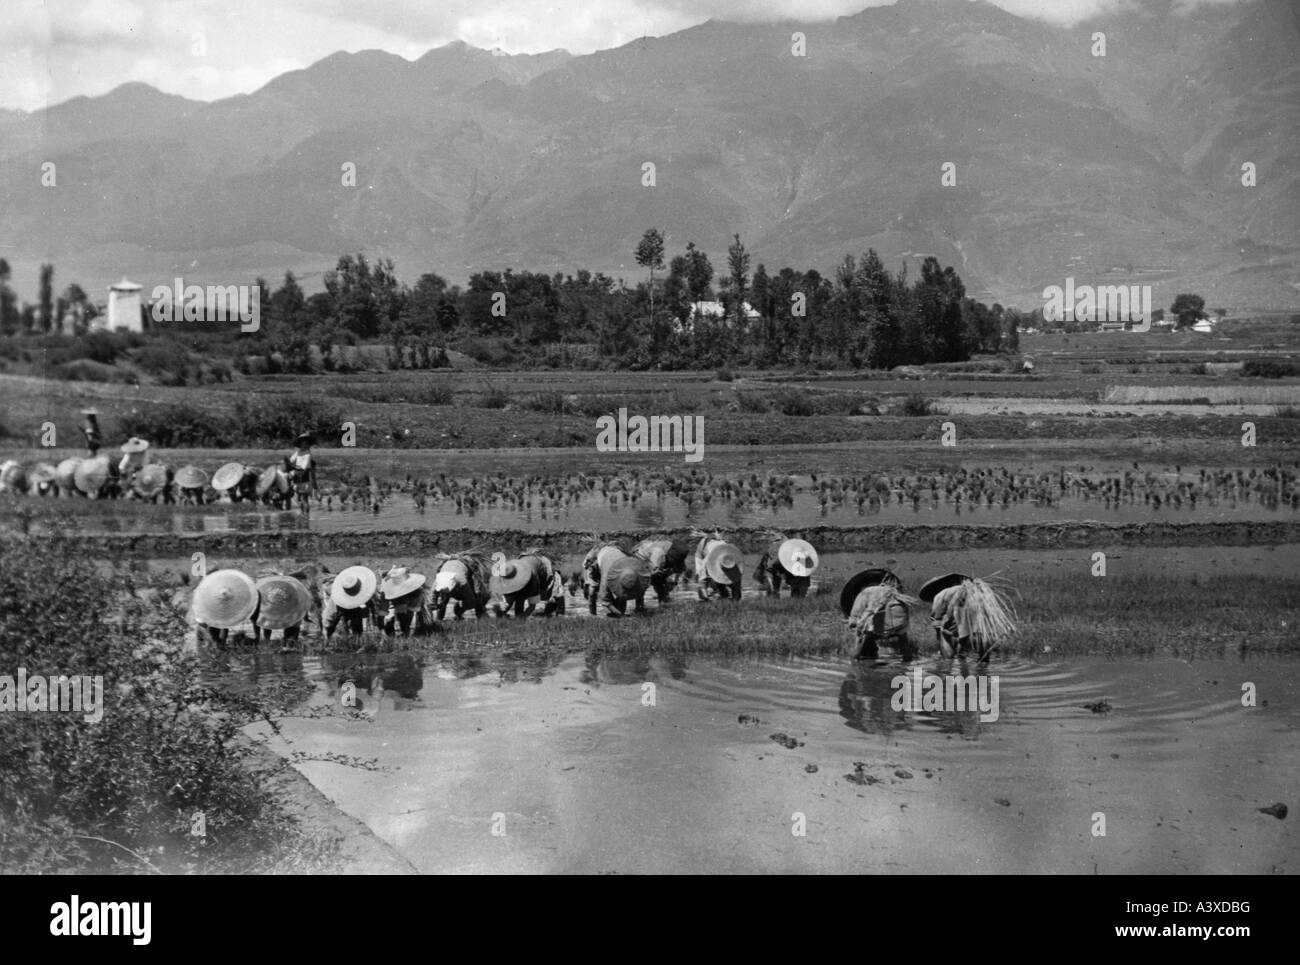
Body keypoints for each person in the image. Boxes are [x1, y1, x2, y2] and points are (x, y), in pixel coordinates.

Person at [321, 565, 378, 644]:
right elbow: (327, 619)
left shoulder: (366, 590)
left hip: (356, 607)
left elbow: (373, 608)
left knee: (357, 625)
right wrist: (326, 638)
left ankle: (357, 640)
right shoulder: (336, 598)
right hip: (341, 606)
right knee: (329, 627)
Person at [492, 553, 559, 618]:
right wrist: (502, 609)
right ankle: (502, 614)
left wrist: (523, 617)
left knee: (521, 600)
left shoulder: (534, 583)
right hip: (524, 562)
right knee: (510, 601)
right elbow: (507, 599)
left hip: (541, 567)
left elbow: (532, 606)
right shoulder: (510, 574)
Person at [632, 537, 691, 603]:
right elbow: (653, 572)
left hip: (657, 561)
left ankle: (664, 598)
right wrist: (662, 580)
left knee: (663, 580)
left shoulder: (679, 554)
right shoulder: (658, 553)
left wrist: (675, 581)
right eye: (674, 561)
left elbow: (680, 569)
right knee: (651, 581)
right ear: (670, 556)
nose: (675, 563)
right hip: (641, 557)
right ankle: (640, 606)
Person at [432, 555, 490, 620]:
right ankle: (439, 619)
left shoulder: (462, 581)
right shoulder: (437, 581)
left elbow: (471, 601)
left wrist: (460, 612)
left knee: (472, 598)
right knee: (444, 601)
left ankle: (459, 614)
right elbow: (432, 596)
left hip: (462, 569)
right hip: (448, 568)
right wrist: (435, 604)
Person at [376, 566, 430, 637]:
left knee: (406, 618)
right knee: (391, 620)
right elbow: (381, 614)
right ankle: (395, 630)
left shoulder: (416, 591)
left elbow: (413, 610)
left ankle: (407, 631)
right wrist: (383, 633)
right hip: (397, 600)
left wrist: (407, 630)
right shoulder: (386, 591)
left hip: (410, 598)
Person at [284, 433, 318, 509]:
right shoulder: (297, 453)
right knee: (298, 499)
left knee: (305, 499)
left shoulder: (308, 455)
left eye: (306, 444)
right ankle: (299, 514)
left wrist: (291, 465)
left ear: (308, 445)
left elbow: (303, 467)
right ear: (300, 445)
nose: (304, 446)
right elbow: (291, 461)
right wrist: (287, 464)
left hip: (305, 479)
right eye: (302, 444)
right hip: (296, 479)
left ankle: (306, 516)